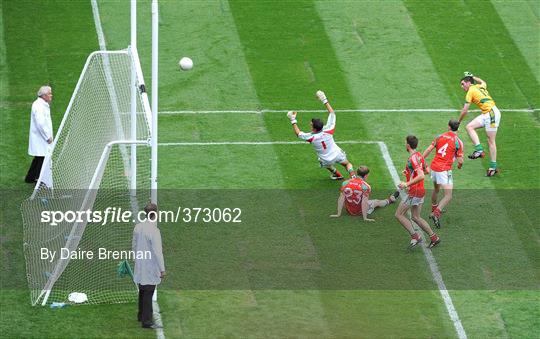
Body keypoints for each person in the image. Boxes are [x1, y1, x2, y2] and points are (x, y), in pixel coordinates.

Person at [287, 90, 355, 180]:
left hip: (326, 159)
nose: (310, 125)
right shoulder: (329, 129)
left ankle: (337, 174)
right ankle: (353, 177)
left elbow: (298, 133)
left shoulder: (311, 137)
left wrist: (293, 120)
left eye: (311, 125)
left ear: (314, 128)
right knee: (347, 164)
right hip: (337, 154)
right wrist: (324, 99)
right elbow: (332, 113)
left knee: (325, 163)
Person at [395, 135, 440, 249]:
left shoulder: (412, 158)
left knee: (399, 214)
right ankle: (434, 238)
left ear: (408, 145)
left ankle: (415, 236)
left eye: (405, 143)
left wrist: (406, 184)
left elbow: (421, 175)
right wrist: (409, 173)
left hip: (414, 192)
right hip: (420, 191)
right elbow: (427, 170)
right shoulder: (419, 155)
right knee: (416, 217)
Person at [422, 119, 464, 228]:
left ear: (449, 126)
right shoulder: (458, 142)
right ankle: (436, 213)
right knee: (448, 195)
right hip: (444, 170)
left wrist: (420, 160)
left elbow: (429, 150)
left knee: (436, 189)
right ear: (457, 128)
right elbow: (460, 161)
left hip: (434, 167)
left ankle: (433, 208)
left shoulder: (439, 137)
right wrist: (459, 166)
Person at [458, 71, 501, 177]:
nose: (462, 87)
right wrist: (473, 77)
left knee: (491, 141)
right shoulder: (480, 86)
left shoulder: (470, 92)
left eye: (463, 84)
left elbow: (465, 110)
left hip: (491, 114)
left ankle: (493, 167)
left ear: (468, 83)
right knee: (469, 127)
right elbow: (483, 81)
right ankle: (479, 150)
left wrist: (458, 122)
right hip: (487, 113)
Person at [132, 202, 165, 329]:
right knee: (148, 292)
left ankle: (141, 315)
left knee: (142, 289)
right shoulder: (154, 231)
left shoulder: (138, 227)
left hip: (140, 263)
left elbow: (134, 245)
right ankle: (146, 321)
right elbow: (158, 252)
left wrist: (136, 259)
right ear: (155, 214)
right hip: (150, 265)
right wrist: (162, 270)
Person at [330, 165, 399, 221]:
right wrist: (365, 218)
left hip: (348, 210)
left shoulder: (345, 183)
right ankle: (390, 200)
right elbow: (364, 202)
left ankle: (390, 199)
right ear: (366, 175)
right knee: (376, 201)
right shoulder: (366, 186)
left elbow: (341, 198)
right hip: (359, 211)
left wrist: (338, 214)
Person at [26, 85, 54, 183]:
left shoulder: (41, 104)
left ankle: (30, 177)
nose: (51, 95)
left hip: (40, 137)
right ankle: (39, 178)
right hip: (41, 137)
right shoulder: (39, 106)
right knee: (42, 157)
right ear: (44, 96)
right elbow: (41, 124)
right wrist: (48, 137)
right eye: (49, 93)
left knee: (39, 157)